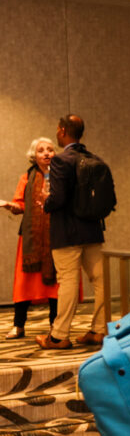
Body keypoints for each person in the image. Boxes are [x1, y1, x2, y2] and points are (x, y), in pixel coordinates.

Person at [37, 114, 111, 349]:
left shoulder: (61, 160)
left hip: (67, 232)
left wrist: (46, 201)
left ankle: (59, 336)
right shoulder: (95, 159)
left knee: (68, 281)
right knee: (100, 280)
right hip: (92, 230)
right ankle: (99, 330)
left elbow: (58, 198)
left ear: (62, 131)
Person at [1, 138, 60, 338]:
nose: (46, 153)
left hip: (56, 236)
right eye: (41, 150)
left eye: (50, 149)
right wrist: (12, 206)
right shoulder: (27, 177)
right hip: (31, 239)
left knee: (55, 284)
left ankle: (55, 326)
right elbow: (20, 205)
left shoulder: (61, 176)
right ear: (34, 156)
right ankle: (18, 326)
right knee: (24, 282)